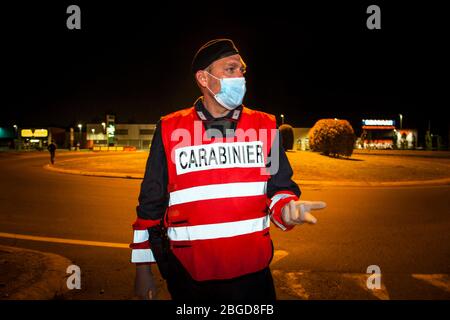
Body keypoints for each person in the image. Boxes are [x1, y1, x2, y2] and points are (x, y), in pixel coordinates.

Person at [130, 39, 327, 301]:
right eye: (231, 69)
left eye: (242, 71)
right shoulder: (169, 128)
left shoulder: (265, 127)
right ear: (203, 78)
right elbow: (150, 206)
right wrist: (143, 270)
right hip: (189, 279)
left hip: (253, 279)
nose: (240, 77)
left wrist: (288, 209)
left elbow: (278, 190)